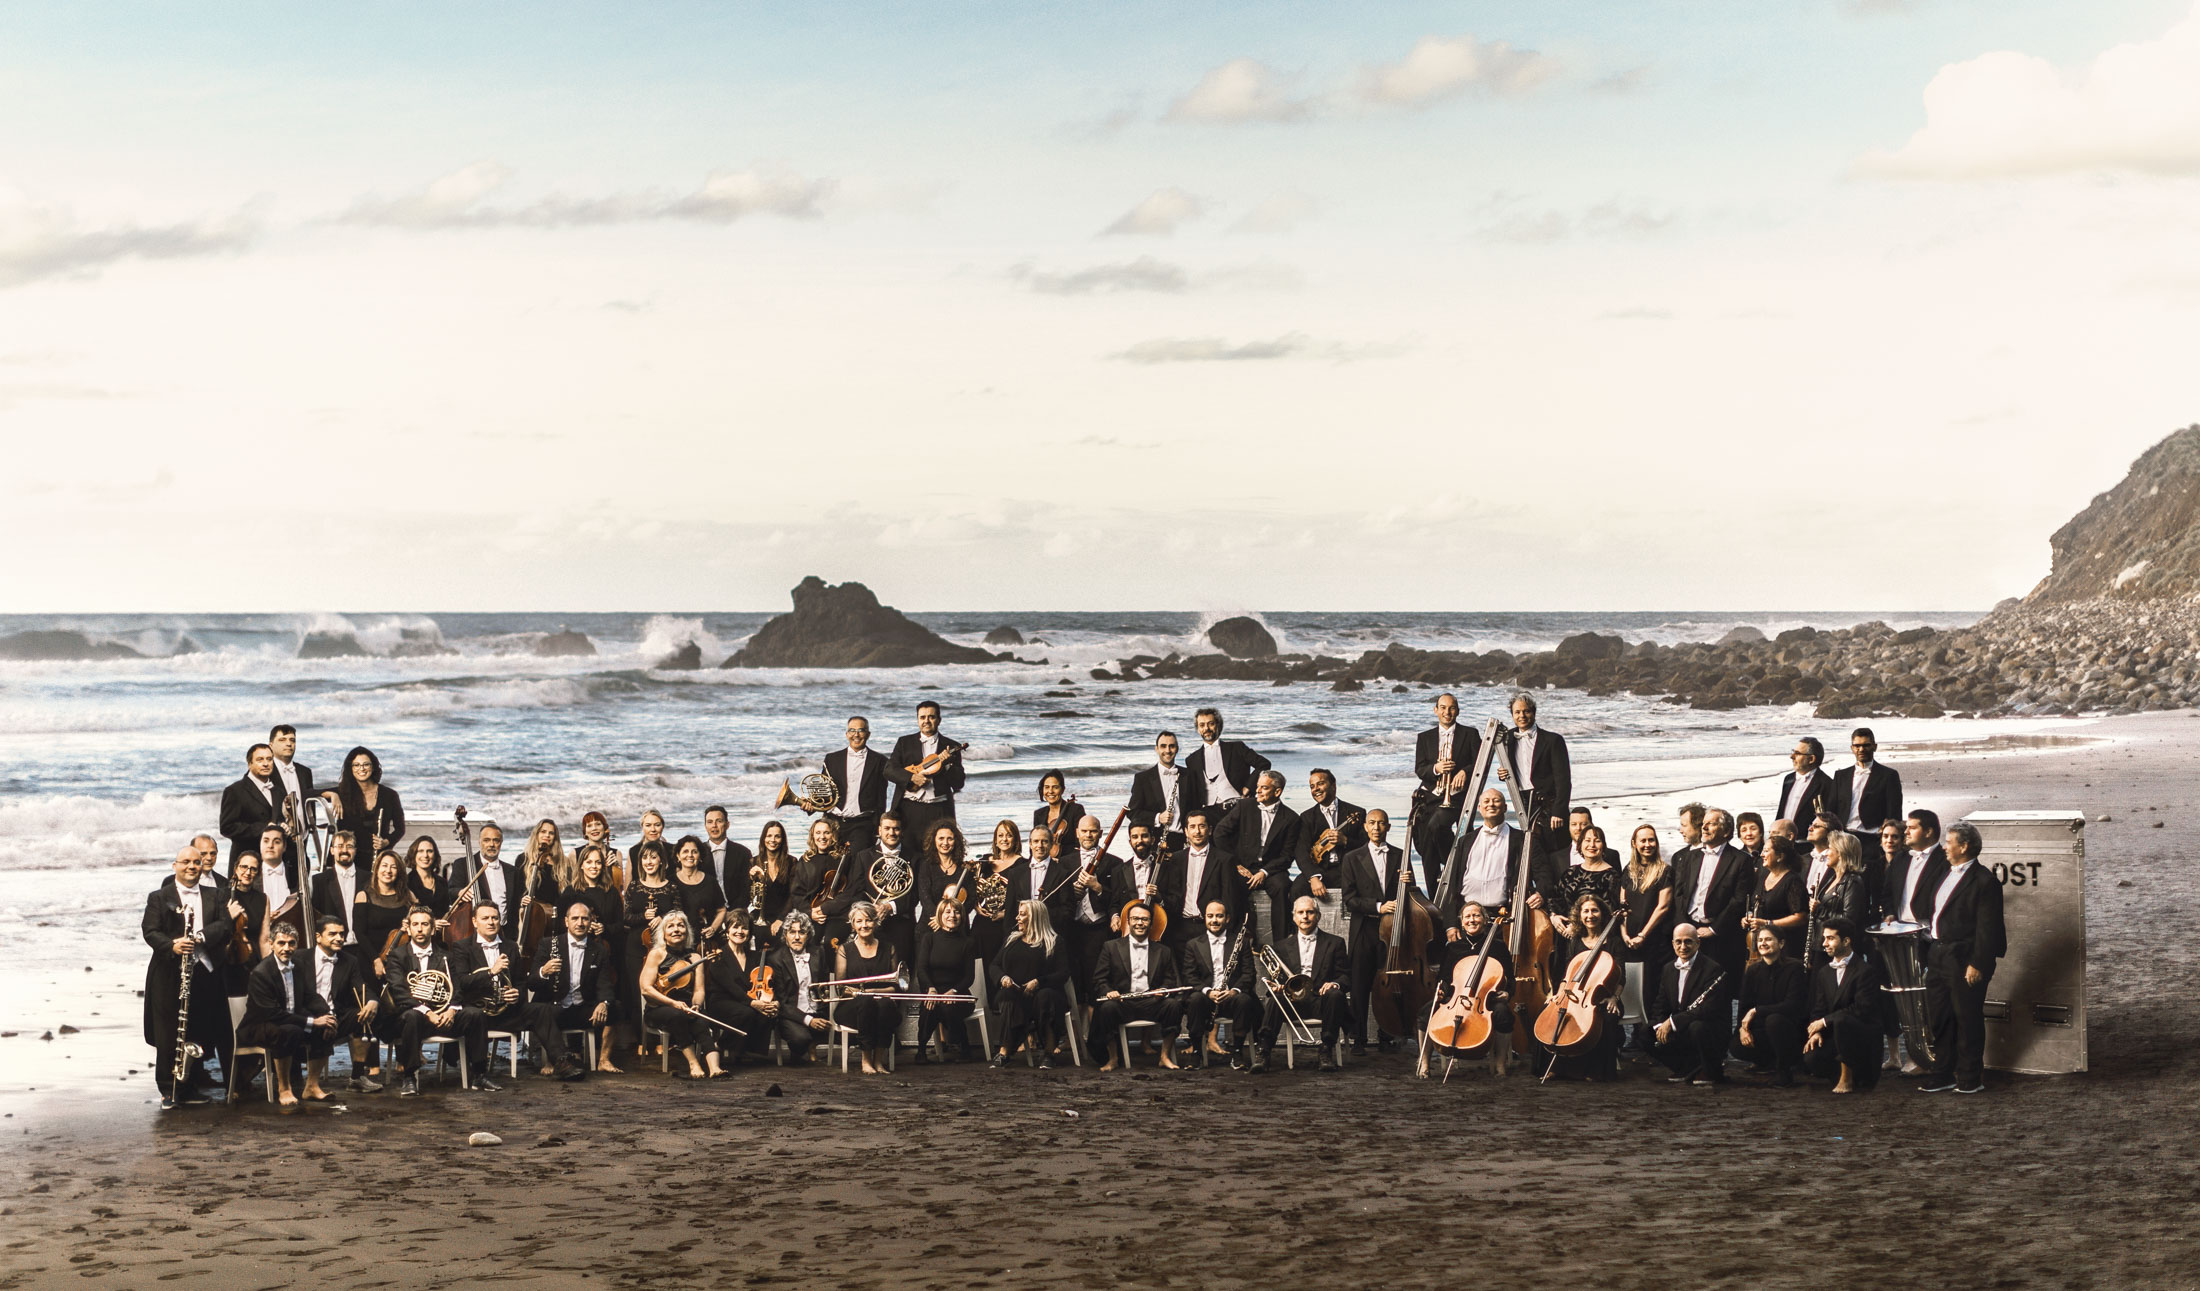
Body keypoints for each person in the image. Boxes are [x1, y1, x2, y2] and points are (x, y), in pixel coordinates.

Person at [1915, 822, 2004, 1095]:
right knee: (1939, 1017)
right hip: (1939, 954)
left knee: (1967, 1019)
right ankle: (1943, 1073)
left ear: (1964, 847)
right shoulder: (1944, 872)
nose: (1944, 846)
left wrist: (1977, 964)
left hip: (1965, 959)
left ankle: (1969, 1077)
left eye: (1949, 841)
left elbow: (1988, 929)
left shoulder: (1984, 881)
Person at [144, 845, 233, 1109]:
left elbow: (226, 925)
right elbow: (150, 931)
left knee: (197, 1029)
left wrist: (202, 937)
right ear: (175, 866)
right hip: (168, 974)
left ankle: (191, 1086)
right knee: (168, 1032)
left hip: (203, 972)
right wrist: (172, 945)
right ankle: (168, 1090)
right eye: (186, 862)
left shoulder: (215, 895)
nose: (192, 866)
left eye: (196, 862)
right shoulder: (159, 897)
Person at [384, 905, 491, 1095]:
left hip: (444, 1016)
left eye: (424, 924)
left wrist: (452, 1009)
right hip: (416, 1017)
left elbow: (458, 987)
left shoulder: (446, 956)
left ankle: (480, 1074)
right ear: (408, 929)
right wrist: (427, 1012)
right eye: (415, 924)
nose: (419, 929)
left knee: (475, 1015)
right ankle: (409, 1077)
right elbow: (399, 991)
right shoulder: (397, 956)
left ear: (433, 929)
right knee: (411, 1016)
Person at [1338, 808, 1411, 1054]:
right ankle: (1358, 1039)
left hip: (1391, 931)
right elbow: (1349, 899)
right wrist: (1379, 906)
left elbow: (1408, 896)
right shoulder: (1352, 857)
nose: (1376, 827)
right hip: (1364, 929)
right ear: (1365, 828)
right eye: (1372, 823)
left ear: (1389, 827)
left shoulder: (1402, 855)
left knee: (1389, 984)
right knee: (1359, 985)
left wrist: (1409, 886)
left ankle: (1387, 1035)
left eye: (1381, 823)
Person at [239, 922, 335, 1107]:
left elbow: (310, 996)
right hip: (259, 1025)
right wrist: (312, 1022)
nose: (287, 948)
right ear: (272, 943)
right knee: (290, 1031)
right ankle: (284, 1089)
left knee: (327, 1026)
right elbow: (271, 1013)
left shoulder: (298, 965)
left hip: (288, 1021)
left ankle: (312, 1086)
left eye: (291, 943)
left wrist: (327, 1015)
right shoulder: (261, 973)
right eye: (281, 943)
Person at [1253, 895, 1348, 1073]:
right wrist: (1277, 986)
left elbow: (1345, 977)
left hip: (1321, 1001)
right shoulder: (1280, 947)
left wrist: (1334, 984)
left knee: (1335, 995)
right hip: (1293, 1003)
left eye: (1310, 912)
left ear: (1318, 916)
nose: (1305, 916)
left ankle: (1326, 1050)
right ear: (1294, 917)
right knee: (1275, 998)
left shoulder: (1335, 943)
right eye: (1301, 912)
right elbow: (1276, 979)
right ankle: (1264, 1051)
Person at [1091, 903, 1183, 1071]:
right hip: (1123, 1003)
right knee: (1106, 1008)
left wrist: (1163, 990)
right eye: (1135, 919)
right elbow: (1099, 979)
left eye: (1144, 919)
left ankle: (1164, 1057)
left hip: (1152, 1002)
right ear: (1128, 921)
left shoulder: (1164, 951)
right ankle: (1113, 1059)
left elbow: (1171, 980)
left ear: (1151, 923)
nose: (1140, 923)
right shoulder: (1111, 947)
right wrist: (1109, 991)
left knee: (1174, 1006)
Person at [526, 900, 611, 1081]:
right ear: (566, 921)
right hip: (555, 1005)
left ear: (591, 922)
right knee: (544, 1012)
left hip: (582, 1007)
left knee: (616, 1007)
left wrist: (603, 1003)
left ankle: (604, 1060)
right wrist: (544, 971)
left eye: (585, 919)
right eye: (575, 918)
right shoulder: (548, 944)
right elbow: (531, 982)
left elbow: (604, 983)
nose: (580, 923)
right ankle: (553, 1060)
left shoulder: (599, 949)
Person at [1544, 892, 1624, 1082]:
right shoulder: (1574, 941)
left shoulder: (1614, 943)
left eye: (1594, 911)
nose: (1590, 915)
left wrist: (1614, 998)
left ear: (1602, 914)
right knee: (1550, 1013)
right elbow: (1568, 973)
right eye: (1586, 911)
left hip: (1601, 997)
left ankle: (1595, 1070)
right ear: (1579, 915)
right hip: (1574, 995)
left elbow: (1621, 978)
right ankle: (1555, 1067)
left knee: (1607, 1017)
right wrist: (1557, 994)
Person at [1429, 901, 1514, 1076]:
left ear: (1484, 920)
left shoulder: (1498, 946)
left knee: (1503, 1013)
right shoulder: (1453, 947)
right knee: (1426, 1012)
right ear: (1461, 922)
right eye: (1467, 916)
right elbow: (1444, 978)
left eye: (1476, 915)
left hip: (1487, 1001)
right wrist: (1442, 990)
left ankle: (1500, 1064)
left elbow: (1510, 978)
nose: (1472, 920)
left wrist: (1508, 993)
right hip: (1456, 998)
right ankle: (1423, 1064)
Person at [1806, 918, 1886, 1093]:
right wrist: (1817, 1030)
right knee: (1811, 1058)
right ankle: (1846, 1076)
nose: (1824, 943)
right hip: (1838, 1036)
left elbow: (1861, 1009)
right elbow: (1819, 1008)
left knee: (1842, 1020)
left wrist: (1825, 1022)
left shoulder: (1866, 971)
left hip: (1863, 1038)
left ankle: (1849, 1078)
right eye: (1824, 938)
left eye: (1830, 938)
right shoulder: (1824, 972)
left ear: (1846, 941)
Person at [1218, 770, 1300, 941]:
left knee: (1283, 886)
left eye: (1264, 788)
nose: (1258, 791)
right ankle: (1245, 937)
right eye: (1257, 787)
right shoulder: (1244, 806)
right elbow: (1219, 833)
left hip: (1272, 870)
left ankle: (1282, 942)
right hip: (1243, 866)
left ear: (1277, 792)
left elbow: (1287, 855)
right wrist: (1237, 865)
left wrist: (1264, 872)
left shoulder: (1291, 818)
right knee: (1232, 883)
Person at [990, 899, 1072, 1067]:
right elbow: (994, 965)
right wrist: (1003, 978)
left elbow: (1063, 973)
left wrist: (1038, 982)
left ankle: (1048, 1053)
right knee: (1006, 995)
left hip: (1046, 993)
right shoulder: (1012, 940)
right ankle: (1004, 1052)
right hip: (1016, 994)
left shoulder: (1054, 942)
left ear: (1035, 917)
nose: (1017, 918)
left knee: (1045, 997)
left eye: (1022, 914)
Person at [1437, 788, 1529, 936]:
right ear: (1479, 808)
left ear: (1505, 807)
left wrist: (1540, 894)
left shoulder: (1522, 839)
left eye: (1496, 800)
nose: (1490, 804)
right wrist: (1451, 925)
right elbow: (1453, 885)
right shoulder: (1465, 841)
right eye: (1486, 801)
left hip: (1503, 919)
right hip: (1467, 919)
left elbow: (1542, 873)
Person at [1412, 692, 1480, 889]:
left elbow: (1479, 762)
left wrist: (1465, 772)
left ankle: (1454, 862)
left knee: (1436, 826)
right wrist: (1436, 768)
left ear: (1457, 710)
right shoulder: (1424, 738)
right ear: (1436, 710)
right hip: (1431, 795)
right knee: (1425, 844)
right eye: (1443, 708)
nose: (1447, 712)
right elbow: (1420, 769)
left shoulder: (1470, 734)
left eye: (1451, 708)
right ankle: (1434, 895)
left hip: (1456, 797)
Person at [1672, 808, 1751, 977]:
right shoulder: (1690, 857)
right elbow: (1679, 894)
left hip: (1720, 935)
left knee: (1718, 986)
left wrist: (1714, 929)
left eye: (1712, 824)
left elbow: (1738, 900)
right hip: (1690, 932)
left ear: (1726, 831)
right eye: (1703, 824)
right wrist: (1685, 926)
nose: (1704, 828)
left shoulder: (1741, 860)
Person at [1650, 924, 1731, 1087]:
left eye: (1688, 942)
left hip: (1707, 1026)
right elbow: (1660, 1004)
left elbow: (1707, 1009)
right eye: (1678, 942)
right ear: (1672, 944)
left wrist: (1672, 1023)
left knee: (1697, 1027)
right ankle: (1686, 1067)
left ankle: (1711, 1070)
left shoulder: (1712, 969)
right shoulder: (1668, 969)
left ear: (1697, 944)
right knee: (1646, 1033)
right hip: (1681, 1027)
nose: (1683, 947)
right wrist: (1660, 1025)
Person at [1180, 900, 1257, 1068]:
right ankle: (1197, 1053)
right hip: (1206, 998)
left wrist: (1234, 991)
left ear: (1227, 919)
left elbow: (1249, 974)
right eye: (1210, 916)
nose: (1214, 920)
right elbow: (1189, 976)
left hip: (1231, 998)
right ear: (1205, 918)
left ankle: (1237, 1052)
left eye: (1219, 916)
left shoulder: (1241, 942)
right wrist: (1208, 991)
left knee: (1244, 1000)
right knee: (1194, 1000)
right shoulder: (1193, 944)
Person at [305, 915, 375, 1096]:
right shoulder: (300, 958)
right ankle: (312, 1085)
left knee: (364, 1015)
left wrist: (372, 1001)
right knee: (323, 1025)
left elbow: (361, 987)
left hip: (336, 1014)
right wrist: (322, 1016)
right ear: (318, 937)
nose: (339, 938)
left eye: (342, 934)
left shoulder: (349, 960)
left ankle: (357, 1077)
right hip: (308, 1014)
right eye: (333, 934)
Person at [1617, 824, 1673, 1050]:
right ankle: (1634, 1036)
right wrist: (1624, 934)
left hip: (1653, 940)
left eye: (1652, 840)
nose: (1648, 844)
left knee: (1650, 988)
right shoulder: (1627, 870)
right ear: (1634, 843)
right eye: (1643, 841)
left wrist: (1642, 935)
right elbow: (1622, 907)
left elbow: (1663, 907)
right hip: (1628, 940)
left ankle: (1647, 1038)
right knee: (1630, 987)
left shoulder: (1664, 871)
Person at [637, 910, 710, 1080]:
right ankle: (693, 1063)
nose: (676, 929)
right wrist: (672, 1003)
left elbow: (699, 990)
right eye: (670, 926)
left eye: (680, 925)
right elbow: (646, 989)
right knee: (677, 1016)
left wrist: (697, 1006)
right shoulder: (656, 954)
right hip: (659, 1008)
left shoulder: (695, 957)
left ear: (687, 930)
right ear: (664, 933)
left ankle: (715, 1068)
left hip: (686, 1007)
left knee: (701, 1017)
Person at [1731, 925, 1808, 1086]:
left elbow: (1793, 1005)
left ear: (1781, 944)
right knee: (1736, 1046)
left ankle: (1784, 1071)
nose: (1763, 943)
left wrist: (1757, 1011)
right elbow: (1745, 1006)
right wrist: (1742, 1029)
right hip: (1763, 1028)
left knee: (1774, 1021)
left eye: (1768, 939)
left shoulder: (1795, 967)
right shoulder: (1752, 970)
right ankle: (1767, 1062)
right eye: (1759, 940)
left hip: (1788, 1029)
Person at [1496, 693, 1570, 858]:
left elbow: (1563, 780)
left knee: (1555, 849)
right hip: (1522, 800)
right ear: (1512, 715)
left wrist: (1559, 811)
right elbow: (1510, 767)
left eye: (1526, 711)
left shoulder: (1553, 740)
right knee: (1532, 850)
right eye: (1517, 712)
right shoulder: (1507, 738)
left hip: (1548, 803)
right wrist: (1503, 774)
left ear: (1534, 712)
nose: (1522, 716)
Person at [622, 843, 679, 1057]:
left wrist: (662, 920)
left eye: (654, 858)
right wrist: (642, 918)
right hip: (636, 947)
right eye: (645, 858)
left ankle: (662, 1038)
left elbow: (678, 917)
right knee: (639, 994)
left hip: (663, 949)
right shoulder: (635, 887)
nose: (649, 862)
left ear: (662, 861)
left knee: (663, 991)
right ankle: (641, 1039)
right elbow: (626, 917)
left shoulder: (671, 887)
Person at [450, 904, 528, 1058]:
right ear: (474, 921)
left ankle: (558, 1060)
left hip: (506, 1014)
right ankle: (479, 1073)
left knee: (542, 1011)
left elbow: (521, 981)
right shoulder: (462, 947)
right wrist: (491, 972)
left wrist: (516, 993)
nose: (491, 922)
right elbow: (462, 982)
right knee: (474, 1015)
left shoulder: (511, 946)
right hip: (478, 1014)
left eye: (495, 918)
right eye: (485, 918)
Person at [832, 902, 901, 1075]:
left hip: (881, 1003)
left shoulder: (889, 948)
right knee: (866, 1003)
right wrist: (865, 995)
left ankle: (878, 1061)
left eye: (868, 920)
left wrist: (870, 993)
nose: (864, 925)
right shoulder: (844, 950)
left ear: (875, 922)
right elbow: (841, 988)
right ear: (853, 925)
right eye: (859, 921)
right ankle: (866, 1059)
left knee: (884, 1006)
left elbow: (895, 986)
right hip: (851, 1007)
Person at [887, 701, 965, 848]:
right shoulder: (904, 743)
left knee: (937, 855)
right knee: (909, 854)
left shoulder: (951, 746)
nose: (926, 721)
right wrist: (911, 777)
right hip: (909, 808)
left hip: (939, 809)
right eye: (922, 717)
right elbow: (889, 770)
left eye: (931, 717)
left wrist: (948, 765)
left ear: (939, 720)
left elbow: (959, 782)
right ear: (917, 720)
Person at [844, 812, 918, 966]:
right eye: (887, 828)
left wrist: (890, 906)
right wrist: (870, 911)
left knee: (902, 967)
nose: (892, 833)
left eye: (896, 829)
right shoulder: (863, 856)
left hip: (901, 921)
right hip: (870, 922)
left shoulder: (915, 857)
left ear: (902, 831)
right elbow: (855, 892)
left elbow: (915, 894)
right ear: (879, 830)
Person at [761, 914, 834, 1063]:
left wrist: (824, 1012)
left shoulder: (818, 953)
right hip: (791, 1015)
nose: (796, 937)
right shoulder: (776, 959)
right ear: (785, 935)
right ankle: (803, 1047)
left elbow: (824, 986)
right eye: (792, 932)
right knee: (800, 1039)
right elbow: (782, 1001)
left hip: (817, 1010)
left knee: (846, 1030)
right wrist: (809, 1021)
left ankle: (812, 1044)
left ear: (808, 935)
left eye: (801, 932)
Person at [699, 916, 767, 1075]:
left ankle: (746, 1050)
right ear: (727, 931)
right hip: (721, 1002)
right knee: (747, 1012)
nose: (740, 931)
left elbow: (758, 984)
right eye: (735, 927)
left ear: (749, 933)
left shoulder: (754, 956)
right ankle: (721, 1045)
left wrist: (768, 1002)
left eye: (744, 928)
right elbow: (731, 987)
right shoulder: (718, 955)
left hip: (745, 1000)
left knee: (767, 1013)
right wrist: (753, 1003)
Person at [913, 898, 977, 1062]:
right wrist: (931, 989)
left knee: (947, 1007)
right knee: (930, 1006)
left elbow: (969, 977)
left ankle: (964, 1049)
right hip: (934, 991)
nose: (952, 916)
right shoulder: (929, 939)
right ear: (940, 915)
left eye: (956, 912)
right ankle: (921, 1052)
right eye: (947, 912)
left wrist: (954, 991)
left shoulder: (968, 943)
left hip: (959, 994)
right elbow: (922, 968)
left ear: (962, 916)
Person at [1828, 727, 1903, 863]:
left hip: (1872, 838)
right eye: (1857, 746)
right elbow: (1831, 810)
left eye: (1866, 745)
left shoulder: (1889, 775)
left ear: (1874, 747)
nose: (1861, 749)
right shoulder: (1840, 776)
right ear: (1852, 748)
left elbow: (1894, 812)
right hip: (1844, 837)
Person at [823, 715, 890, 854]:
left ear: (868, 734)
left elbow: (881, 797)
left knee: (857, 864)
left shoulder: (880, 760)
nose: (856, 734)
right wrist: (811, 808)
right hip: (833, 821)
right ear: (847, 734)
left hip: (863, 824)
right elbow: (823, 793)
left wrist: (878, 827)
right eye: (852, 730)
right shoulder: (832, 759)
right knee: (830, 865)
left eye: (861, 730)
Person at [1808, 831, 1874, 970]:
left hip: (1837, 950)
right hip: (1822, 946)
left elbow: (1849, 919)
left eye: (1830, 849)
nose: (1826, 853)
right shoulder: (1832, 878)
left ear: (1841, 852)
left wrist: (1820, 910)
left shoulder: (1853, 882)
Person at [331, 746, 403, 870]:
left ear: (373, 767)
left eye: (366, 764)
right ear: (351, 769)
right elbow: (308, 793)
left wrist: (386, 842)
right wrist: (332, 795)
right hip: (348, 859)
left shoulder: (390, 795)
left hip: (378, 859)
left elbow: (400, 829)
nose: (361, 769)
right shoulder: (343, 793)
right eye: (356, 765)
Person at [1295, 768, 1364, 895]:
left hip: (1349, 870)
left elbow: (1367, 846)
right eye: (1312, 786)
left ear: (1333, 786)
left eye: (1320, 783)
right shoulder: (1306, 817)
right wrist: (1313, 877)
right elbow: (1300, 852)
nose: (1315, 789)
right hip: (1319, 870)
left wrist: (1345, 841)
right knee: (1297, 889)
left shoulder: (1357, 812)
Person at [1741, 836, 1810, 959]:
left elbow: (1801, 917)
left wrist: (1769, 923)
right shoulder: (1763, 876)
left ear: (1780, 856)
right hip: (1761, 946)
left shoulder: (1793, 881)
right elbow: (1755, 905)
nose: (1762, 854)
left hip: (1785, 947)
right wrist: (1749, 916)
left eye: (1766, 851)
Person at [217, 743, 284, 870]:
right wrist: (264, 829)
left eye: (269, 759)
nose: (266, 764)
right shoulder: (235, 791)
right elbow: (227, 827)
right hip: (246, 863)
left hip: (275, 862)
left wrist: (284, 826)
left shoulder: (278, 792)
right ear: (249, 764)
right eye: (260, 760)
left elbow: (279, 819)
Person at [1551, 825, 1621, 942]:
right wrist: (1554, 917)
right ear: (1580, 845)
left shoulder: (1612, 876)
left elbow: (1609, 911)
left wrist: (1576, 927)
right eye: (1587, 841)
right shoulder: (1570, 872)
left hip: (1593, 939)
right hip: (1564, 936)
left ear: (1603, 846)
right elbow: (1555, 899)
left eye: (1597, 841)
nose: (1592, 845)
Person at [1125, 731, 1189, 844]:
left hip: (1184, 840)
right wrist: (1158, 818)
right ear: (1157, 749)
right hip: (1156, 840)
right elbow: (1132, 812)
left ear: (1177, 749)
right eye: (1163, 746)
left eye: (1172, 746)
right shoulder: (1143, 778)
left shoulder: (1188, 775)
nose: (1168, 750)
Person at [221, 850, 268, 997]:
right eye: (244, 867)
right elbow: (216, 931)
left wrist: (269, 968)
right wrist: (228, 915)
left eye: (253, 869)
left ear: (258, 872)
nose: (248, 872)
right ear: (236, 869)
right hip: (226, 959)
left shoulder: (263, 899)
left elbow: (264, 939)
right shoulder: (221, 895)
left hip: (252, 959)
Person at [670, 835, 730, 940]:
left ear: (700, 856)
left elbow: (721, 910)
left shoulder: (710, 881)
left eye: (694, 852)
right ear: (678, 856)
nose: (690, 855)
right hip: (678, 939)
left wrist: (713, 928)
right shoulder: (670, 882)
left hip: (706, 938)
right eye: (685, 851)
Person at [309, 830, 362, 950]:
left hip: (363, 948)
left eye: (349, 846)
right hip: (332, 947)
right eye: (339, 846)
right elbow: (316, 918)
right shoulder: (319, 881)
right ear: (332, 850)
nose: (344, 850)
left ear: (355, 850)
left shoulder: (368, 879)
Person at [1776, 736, 1832, 839]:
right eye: (1793, 752)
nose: (1791, 756)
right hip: (1783, 841)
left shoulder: (1826, 784)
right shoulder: (1788, 779)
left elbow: (1826, 822)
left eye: (1797, 754)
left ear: (1811, 759)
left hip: (1806, 844)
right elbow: (1781, 811)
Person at [749, 820, 796, 943]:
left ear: (782, 840)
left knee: (781, 935)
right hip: (761, 914)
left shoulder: (792, 862)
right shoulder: (753, 862)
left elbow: (793, 895)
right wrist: (751, 878)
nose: (773, 840)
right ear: (763, 838)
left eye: (777, 836)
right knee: (758, 934)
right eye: (769, 835)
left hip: (784, 914)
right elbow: (749, 897)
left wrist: (781, 919)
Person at [700, 805, 752, 896]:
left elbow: (746, 889)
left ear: (727, 825)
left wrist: (736, 909)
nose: (714, 826)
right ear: (705, 826)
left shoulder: (743, 853)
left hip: (736, 909)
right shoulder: (698, 852)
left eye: (719, 821)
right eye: (710, 822)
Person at [1032, 770, 1086, 848]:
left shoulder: (1076, 810)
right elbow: (1035, 842)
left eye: (1055, 787)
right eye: (1047, 787)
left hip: (1070, 857)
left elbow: (1080, 843)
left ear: (1062, 789)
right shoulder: (1039, 814)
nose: (1050, 791)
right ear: (1042, 790)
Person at [406, 836, 453, 922]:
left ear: (435, 855)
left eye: (430, 851)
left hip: (443, 933)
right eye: (420, 851)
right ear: (413, 854)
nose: (425, 855)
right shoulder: (406, 882)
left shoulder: (442, 882)